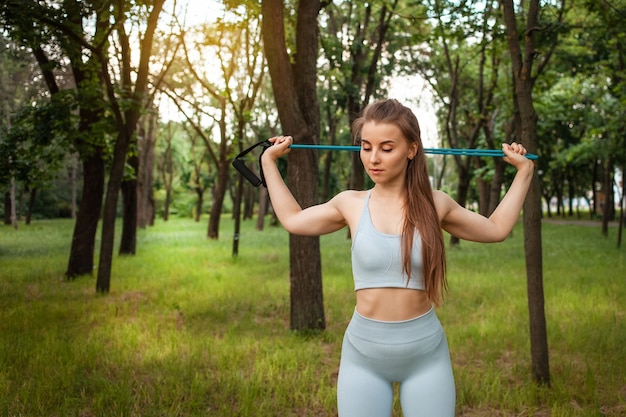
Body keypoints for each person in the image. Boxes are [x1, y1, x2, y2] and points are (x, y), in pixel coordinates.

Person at [260, 99, 534, 417]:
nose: (373, 158)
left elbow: (496, 228)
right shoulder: (349, 203)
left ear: (411, 149)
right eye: (366, 147)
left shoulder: (436, 204)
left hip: (425, 354)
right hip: (363, 353)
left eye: (386, 148)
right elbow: (293, 219)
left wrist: (524, 172)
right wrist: (268, 161)